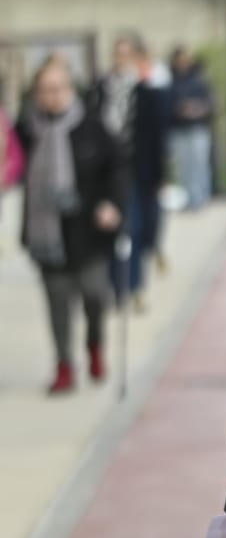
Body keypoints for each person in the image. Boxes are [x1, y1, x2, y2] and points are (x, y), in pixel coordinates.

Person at [15, 56, 127, 393]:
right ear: (36, 93)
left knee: (95, 295)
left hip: (88, 229)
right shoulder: (26, 131)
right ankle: (64, 364)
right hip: (46, 232)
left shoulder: (92, 126)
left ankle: (94, 344)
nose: (52, 96)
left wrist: (112, 204)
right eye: (45, 90)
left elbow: (118, 168)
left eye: (58, 88)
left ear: (70, 88)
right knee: (57, 303)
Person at [87, 32, 170, 310]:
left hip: (136, 170)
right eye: (117, 54)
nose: (121, 60)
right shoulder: (99, 90)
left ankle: (132, 286)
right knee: (109, 228)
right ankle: (115, 285)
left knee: (133, 228)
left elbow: (157, 138)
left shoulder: (147, 93)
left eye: (127, 55)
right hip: (103, 172)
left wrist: (159, 175)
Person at [166, 46, 216, 210]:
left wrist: (197, 109)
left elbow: (210, 103)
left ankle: (201, 197)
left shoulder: (198, 80)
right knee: (184, 166)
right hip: (179, 128)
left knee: (199, 163)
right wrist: (179, 109)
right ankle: (188, 197)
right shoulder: (170, 82)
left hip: (197, 128)